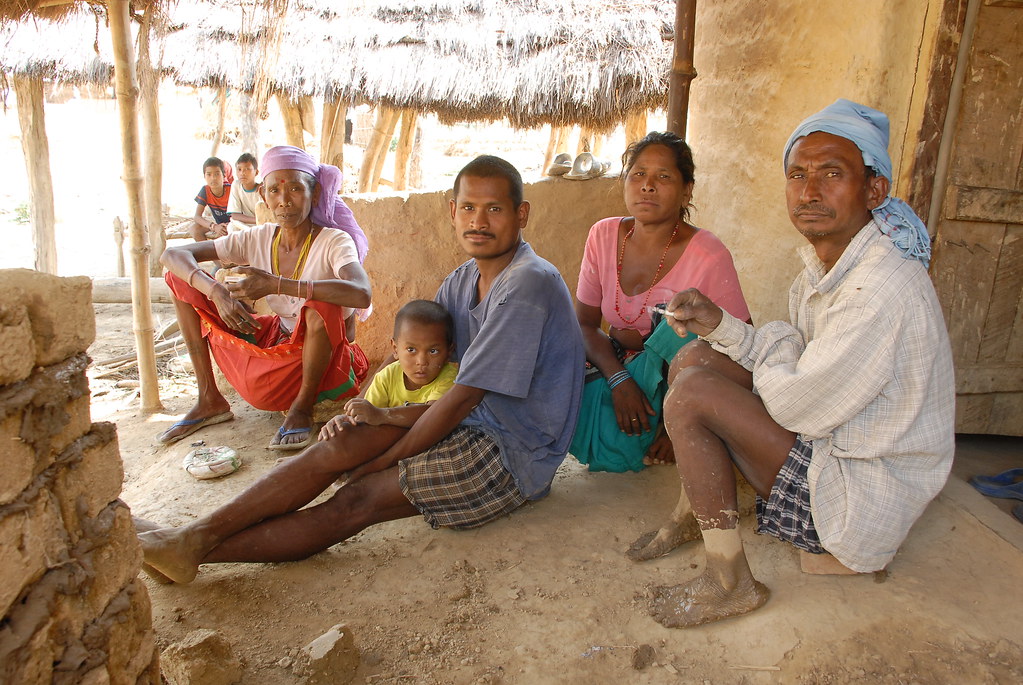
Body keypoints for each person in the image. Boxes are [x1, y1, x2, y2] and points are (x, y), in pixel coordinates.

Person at [137, 155, 585, 584]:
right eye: (468, 207)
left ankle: (190, 548)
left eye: (494, 209)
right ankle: (186, 541)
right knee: (341, 445)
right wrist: (363, 406)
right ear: (452, 211)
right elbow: (410, 354)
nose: (479, 221)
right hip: (466, 419)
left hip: (510, 452)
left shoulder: (526, 283)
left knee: (358, 497)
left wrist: (388, 457)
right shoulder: (464, 277)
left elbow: (464, 395)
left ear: (521, 214)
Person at [628, 99, 955, 628]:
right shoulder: (830, 265)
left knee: (691, 395)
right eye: (798, 174)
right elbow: (792, 364)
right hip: (837, 443)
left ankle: (728, 580)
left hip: (856, 497)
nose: (809, 191)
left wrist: (775, 344)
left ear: (874, 190)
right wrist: (720, 324)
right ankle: (698, 510)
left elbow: (796, 403)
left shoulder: (878, 288)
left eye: (832, 174)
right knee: (693, 354)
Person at [157, 145, 372, 450]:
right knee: (179, 278)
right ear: (263, 196)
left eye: (296, 188)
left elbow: (362, 293)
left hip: (322, 357)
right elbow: (173, 254)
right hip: (279, 337)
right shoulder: (258, 237)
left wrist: (276, 284)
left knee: (322, 304)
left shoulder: (334, 241)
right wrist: (216, 292)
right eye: (274, 191)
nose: (284, 200)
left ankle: (303, 407)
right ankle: (209, 398)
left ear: (314, 193)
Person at [571, 132, 750, 472]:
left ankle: (675, 423)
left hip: (679, 378)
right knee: (603, 442)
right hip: (618, 363)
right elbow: (583, 324)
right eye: (638, 174)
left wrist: (682, 417)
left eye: (663, 177)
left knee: (677, 325)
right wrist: (619, 380)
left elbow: (739, 347)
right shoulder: (603, 235)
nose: (647, 185)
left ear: (686, 191)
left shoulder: (707, 254)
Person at [321, 299, 458, 433]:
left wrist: (381, 415)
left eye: (433, 351)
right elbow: (365, 417)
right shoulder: (386, 377)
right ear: (395, 348)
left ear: (448, 352)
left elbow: (431, 415)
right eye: (411, 350)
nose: (421, 361)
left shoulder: (450, 377)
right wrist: (345, 421)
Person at [190, 157, 233, 241]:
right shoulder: (205, 190)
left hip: (234, 224)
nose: (213, 178)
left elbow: (239, 215)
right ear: (204, 176)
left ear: (224, 175)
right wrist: (214, 226)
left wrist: (228, 226)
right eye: (209, 174)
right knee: (194, 229)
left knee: (228, 234)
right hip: (218, 224)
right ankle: (206, 253)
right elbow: (197, 217)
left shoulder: (231, 190)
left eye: (217, 174)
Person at [228, 152, 261, 227]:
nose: (242, 173)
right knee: (231, 227)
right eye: (239, 169)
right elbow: (235, 215)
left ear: (256, 172)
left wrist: (259, 221)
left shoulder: (262, 189)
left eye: (247, 169)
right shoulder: (236, 185)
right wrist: (256, 220)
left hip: (261, 224)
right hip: (246, 223)